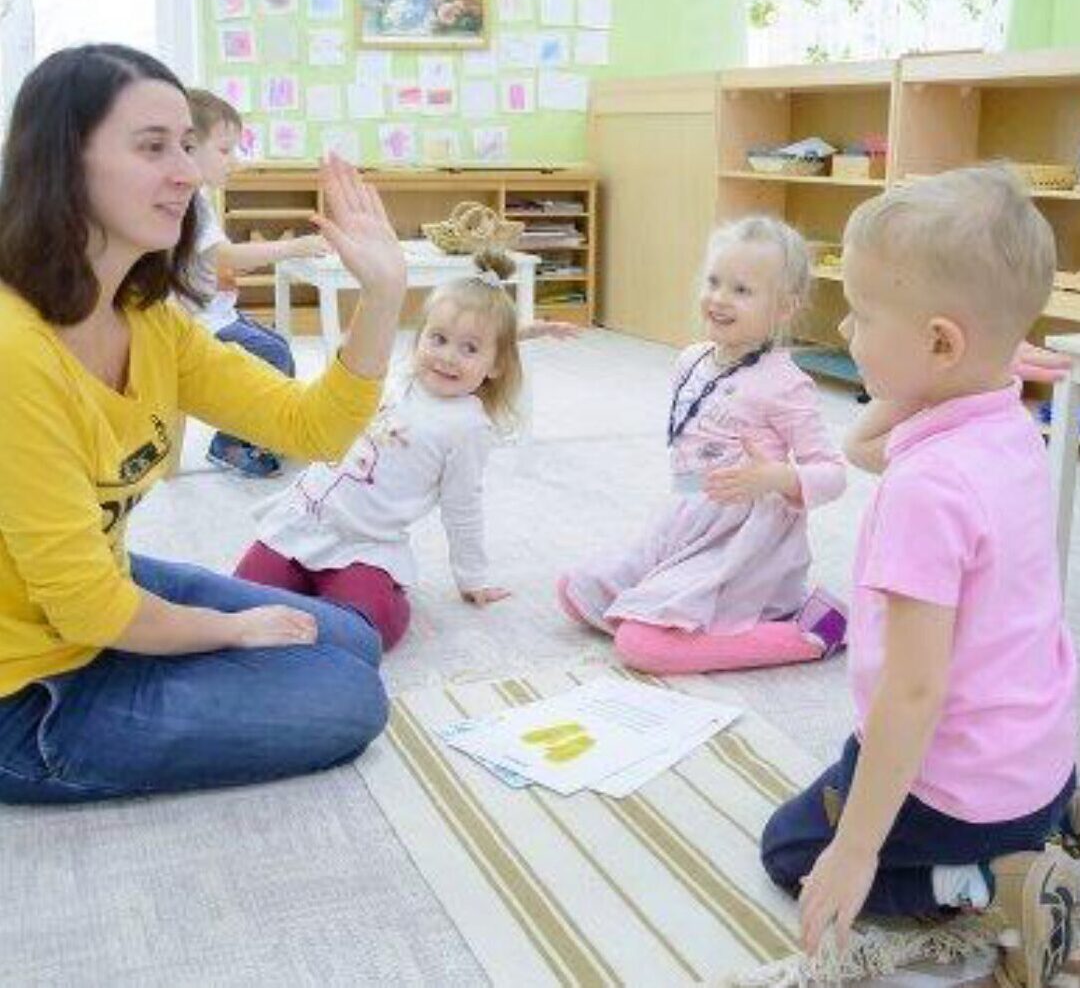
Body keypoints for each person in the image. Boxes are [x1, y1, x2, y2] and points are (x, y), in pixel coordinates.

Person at [0, 43, 408, 804]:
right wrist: (231, 630)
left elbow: (311, 429)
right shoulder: (14, 352)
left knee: (348, 639)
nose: (188, 172)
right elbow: (87, 608)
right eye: (153, 146)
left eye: (187, 145)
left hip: (87, 596)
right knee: (349, 697)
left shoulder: (148, 319)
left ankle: (157, 653)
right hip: (23, 696)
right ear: (63, 162)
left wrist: (383, 295)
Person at [760, 167, 1079, 988]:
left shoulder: (927, 489)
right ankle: (1044, 829)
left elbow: (912, 693)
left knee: (793, 846)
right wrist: (988, 360)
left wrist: (855, 849)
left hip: (962, 789)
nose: (844, 326)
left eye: (862, 313)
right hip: (1043, 756)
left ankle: (991, 887)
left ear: (941, 343)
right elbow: (864, 446)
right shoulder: (1010, 423)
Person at [234, 250, 566, 650]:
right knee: (237, 601)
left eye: (469, 349)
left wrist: (472, 577)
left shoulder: (468, 427)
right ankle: (305, 593)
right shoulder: (398, 374)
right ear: (420, 338)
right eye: (438, 340)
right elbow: (466, 339)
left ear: (496, 365)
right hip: (303, 519)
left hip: (363, 546)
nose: (447, 357)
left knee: (371, 627)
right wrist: (514, 334)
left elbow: (462, 505)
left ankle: (346, 597)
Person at [557, 217, 847, 674]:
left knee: (640, 644)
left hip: (744, 541)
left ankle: (814, 631)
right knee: (577, 591)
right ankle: (670, 604)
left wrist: (774, 477)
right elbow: (691, 459)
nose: (719, 298)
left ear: (784, 308)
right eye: (714, 282)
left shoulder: (785, 383)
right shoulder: (691, 359)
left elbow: (833, 474)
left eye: (742, 290)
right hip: (685, 522)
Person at [182, 88, 329, 478]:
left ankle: (272, 430)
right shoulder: (188, 203)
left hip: (212, 309)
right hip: (197, 322)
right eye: (225, 150)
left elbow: (203, 260)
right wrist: (293, 247)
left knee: (278, 344)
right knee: (272, 354)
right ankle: (231, 443)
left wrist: (224, 273)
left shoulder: (194, 198)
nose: (235, 160)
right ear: (188, 147)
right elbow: (224, 255)